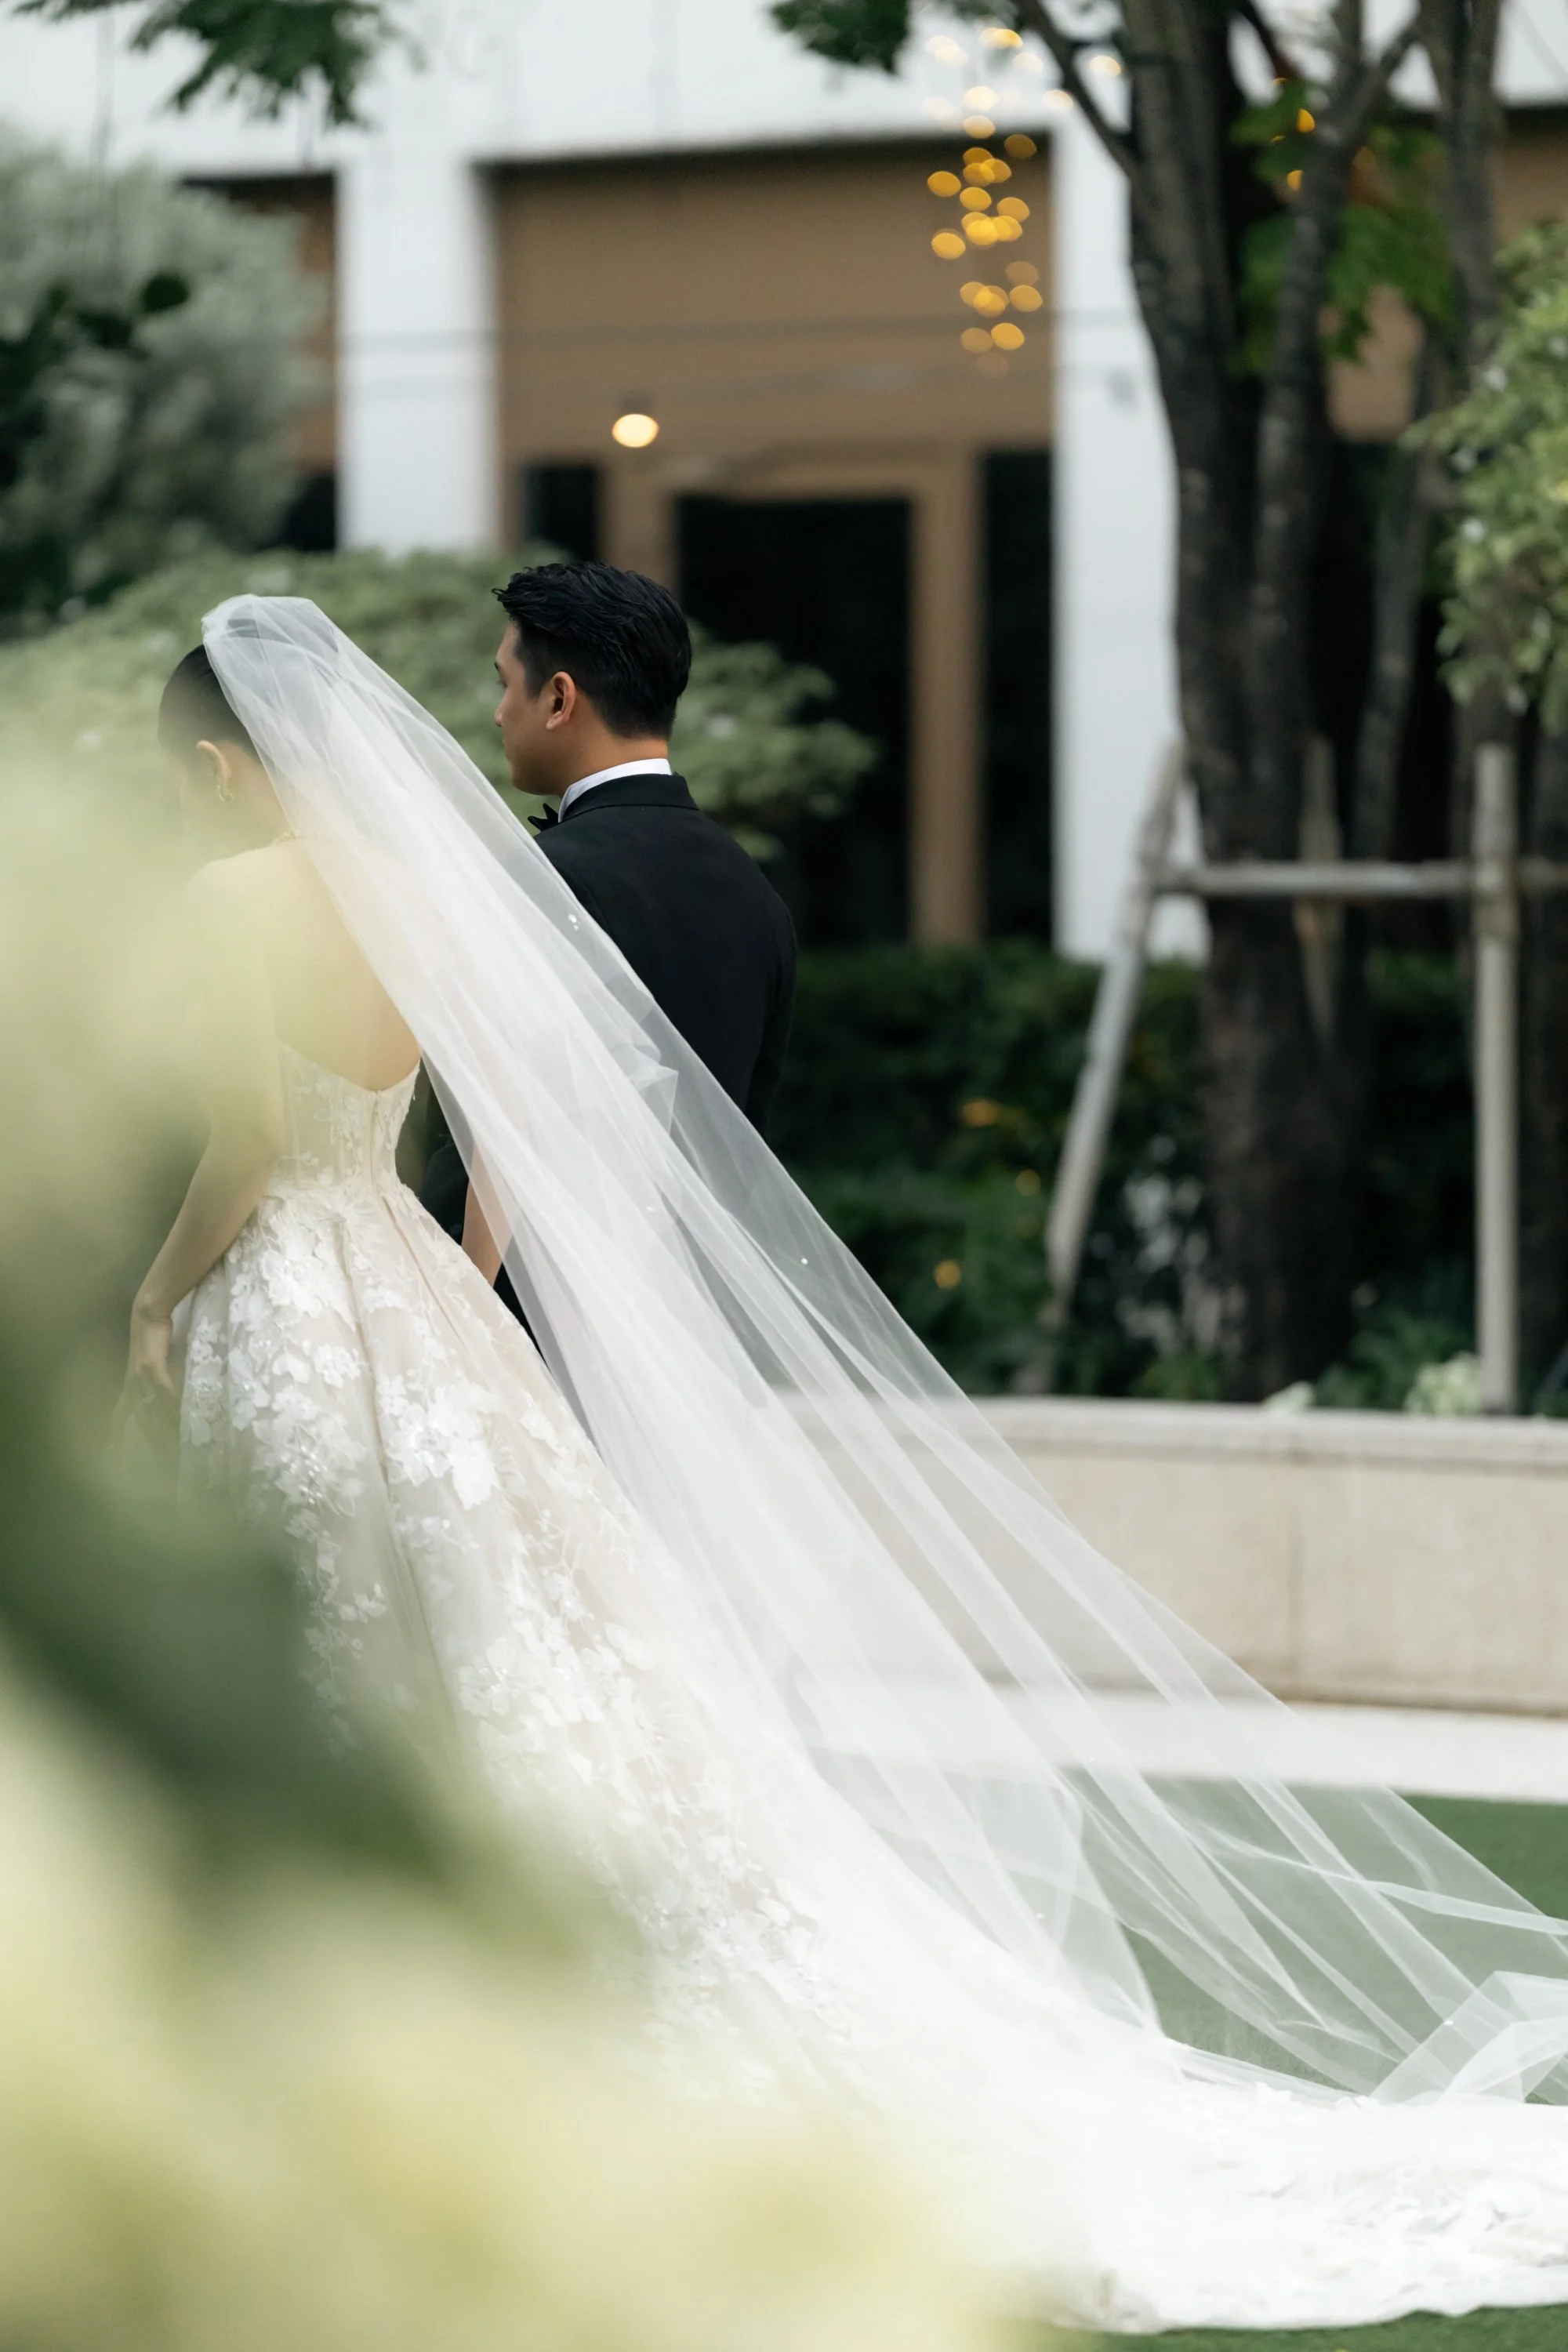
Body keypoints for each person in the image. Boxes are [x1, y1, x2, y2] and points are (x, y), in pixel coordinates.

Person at [129, 591, 1568, 2336]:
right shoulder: (468, 896)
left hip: (326, 1293)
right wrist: (466, 1295)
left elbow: (251, 1143)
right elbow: (559, 1119)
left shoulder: (274, 900)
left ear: (224, 769)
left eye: (507, 680)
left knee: (360, 1644)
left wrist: (154, 1300)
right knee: (551, 1673)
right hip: (463, 1312)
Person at [418, 564, 796, 1324]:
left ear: (558, 698)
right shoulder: (757, 896)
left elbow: (493, 1125)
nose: (498, 714)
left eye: (505, 685)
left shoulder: (543, 880)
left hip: (524, 1322)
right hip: (683, 1329)